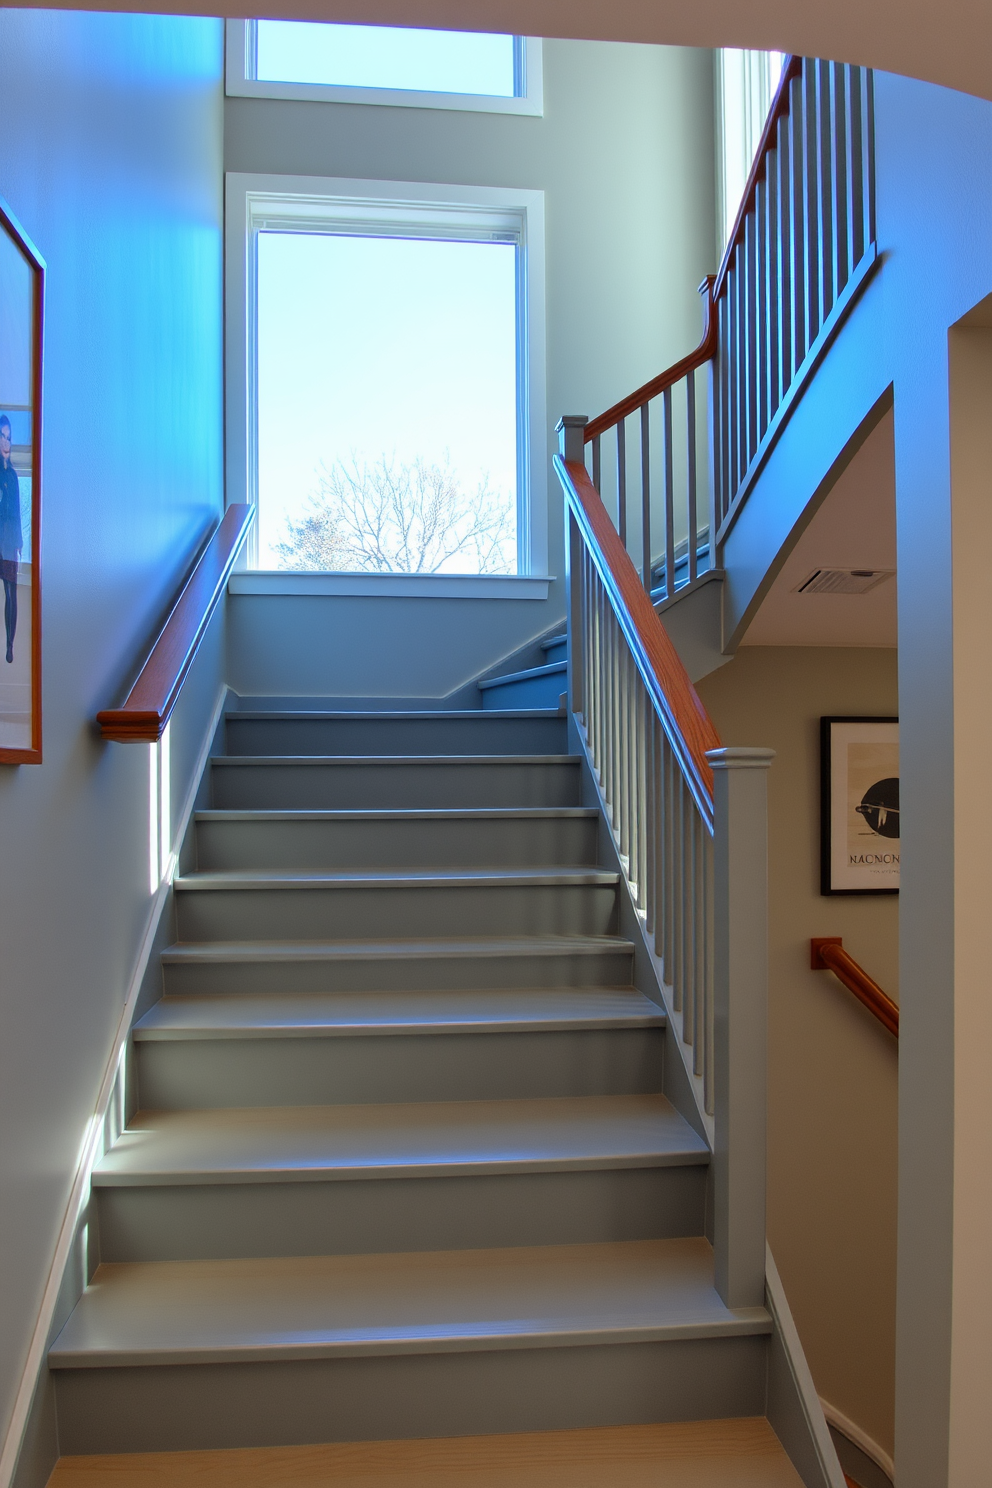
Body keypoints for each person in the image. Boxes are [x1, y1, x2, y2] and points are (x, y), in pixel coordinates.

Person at [0, 415, 23, 664]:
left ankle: (10, 644)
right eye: (2, 436)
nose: (6, 442)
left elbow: (16, 512)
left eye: (9, 437)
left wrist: (18, 541)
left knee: (11, 591)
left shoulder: (14, 476)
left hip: (8, 541)